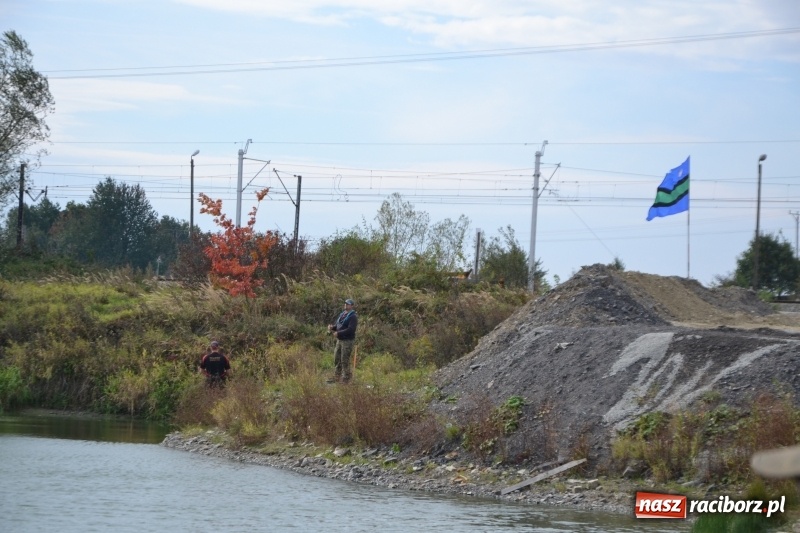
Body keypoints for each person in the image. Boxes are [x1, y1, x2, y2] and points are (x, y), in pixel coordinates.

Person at [327, 298, 358, 383]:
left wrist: (339, 333)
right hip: (339, 340)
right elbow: (338, 325)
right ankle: (337, 376)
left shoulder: (353, 317)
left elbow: (351, 329)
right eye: (345, 304)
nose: (346, 305)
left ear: (352, 306)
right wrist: (332, 327)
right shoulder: (342, 314)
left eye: (348, 304)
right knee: (337, 358)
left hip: (347, 341)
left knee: (344, 359)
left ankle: (346, 378)